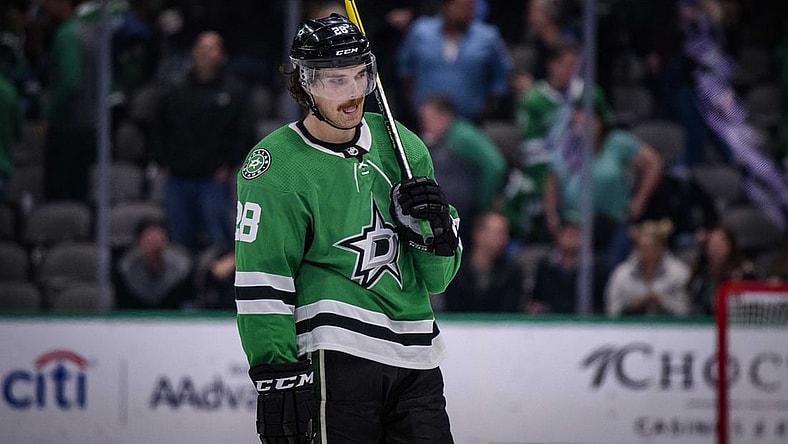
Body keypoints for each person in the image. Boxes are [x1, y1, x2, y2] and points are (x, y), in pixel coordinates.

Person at [234, 14, 461, 443]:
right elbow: (263, 277)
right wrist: (276, 372)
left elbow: (439, 280)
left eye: (361, 75)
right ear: (304, 84)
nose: (355, 93)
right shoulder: (275, 166)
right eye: (337, 80)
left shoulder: (405, 148)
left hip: (417, 357)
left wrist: (432, 230)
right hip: (336, 353)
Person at [152, 30, 253, 253]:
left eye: (212, 47)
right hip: (178, 178)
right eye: (201, 47)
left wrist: (228, 164)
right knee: (179, 242)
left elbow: (244, 134)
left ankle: (219, 285)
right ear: (193, 53)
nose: (205, 53)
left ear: (223, 55)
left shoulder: (234, 93)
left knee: (219, 241)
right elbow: (158, 128)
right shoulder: (176, 93)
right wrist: (163, 162)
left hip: (213, 178)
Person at [505, 38, 613, 244]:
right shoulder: (533, 101)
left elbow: (608, 135)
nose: (573, 71)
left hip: (589, 165)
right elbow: (534, 153)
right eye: (568, 65)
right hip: (550, 171)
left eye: (576, 66)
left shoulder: (590, 94)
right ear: (552, 66)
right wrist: (555, 182)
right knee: (520, 192)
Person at [543, 103, 663, 272]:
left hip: (612, 224)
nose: (583, 128)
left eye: (588, 122)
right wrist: (552, 216)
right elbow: (551, 182)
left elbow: (653, 163)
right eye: (577, 123)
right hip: (574, 226)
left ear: (600, 122)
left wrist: (640, 201)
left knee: (610, 270)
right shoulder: (565, 147)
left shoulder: (617, 142)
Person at [396, 0, 512, 125]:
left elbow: (500, 79)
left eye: (471, 7)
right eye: (462, 6)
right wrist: (414, 102)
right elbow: (405, 70)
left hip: (471, 121)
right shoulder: (420, 31)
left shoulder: (489, 37)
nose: (468, 12)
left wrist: (485, 110)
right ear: (446, 6)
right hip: (423, 120)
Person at [417, 93, 507, 241]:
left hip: (467, 214)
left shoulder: (462, 136)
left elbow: (495, 165)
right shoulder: (439, 138)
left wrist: (483, 203)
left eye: (428, 119)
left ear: (445, 116)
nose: (424, 125)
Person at [605, 219, 692, 317]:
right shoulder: (621, 274)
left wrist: (662, 302)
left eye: (651, 248)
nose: (647, 253)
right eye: (642, 248)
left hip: (671, 329)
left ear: (661, 247)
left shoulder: (679, 273)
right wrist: (635, 306)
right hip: (631, 328)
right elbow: (613, 311)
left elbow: (686, 310)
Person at [444, 210, 523, 312]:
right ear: (478, 234)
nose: (505, 239)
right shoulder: (455, 269)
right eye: (498, 233)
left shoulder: (512, 273)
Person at [113, 217, 194, 309]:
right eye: (149, 240)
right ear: (139, 242)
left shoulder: (182, 270)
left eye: (159, 239)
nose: (155, 244)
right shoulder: (125, 269)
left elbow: (187, 304)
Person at [529, 220, 607, 314]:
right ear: (558, 236)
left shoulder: (596, 268)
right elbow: (536, 299)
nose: (572, 237)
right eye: (567, 232)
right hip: (550, 322)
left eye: (576, 233)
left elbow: (602, 304)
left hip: (585, 323)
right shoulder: (545, 266)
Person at [686, 224, 758, 315]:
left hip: (738, 321)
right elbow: (692, 303)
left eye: (719, 245)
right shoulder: (702, 273)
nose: (715, 250)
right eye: (712, 245)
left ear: (730, 246)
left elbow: (752, 305)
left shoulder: (745, 272)